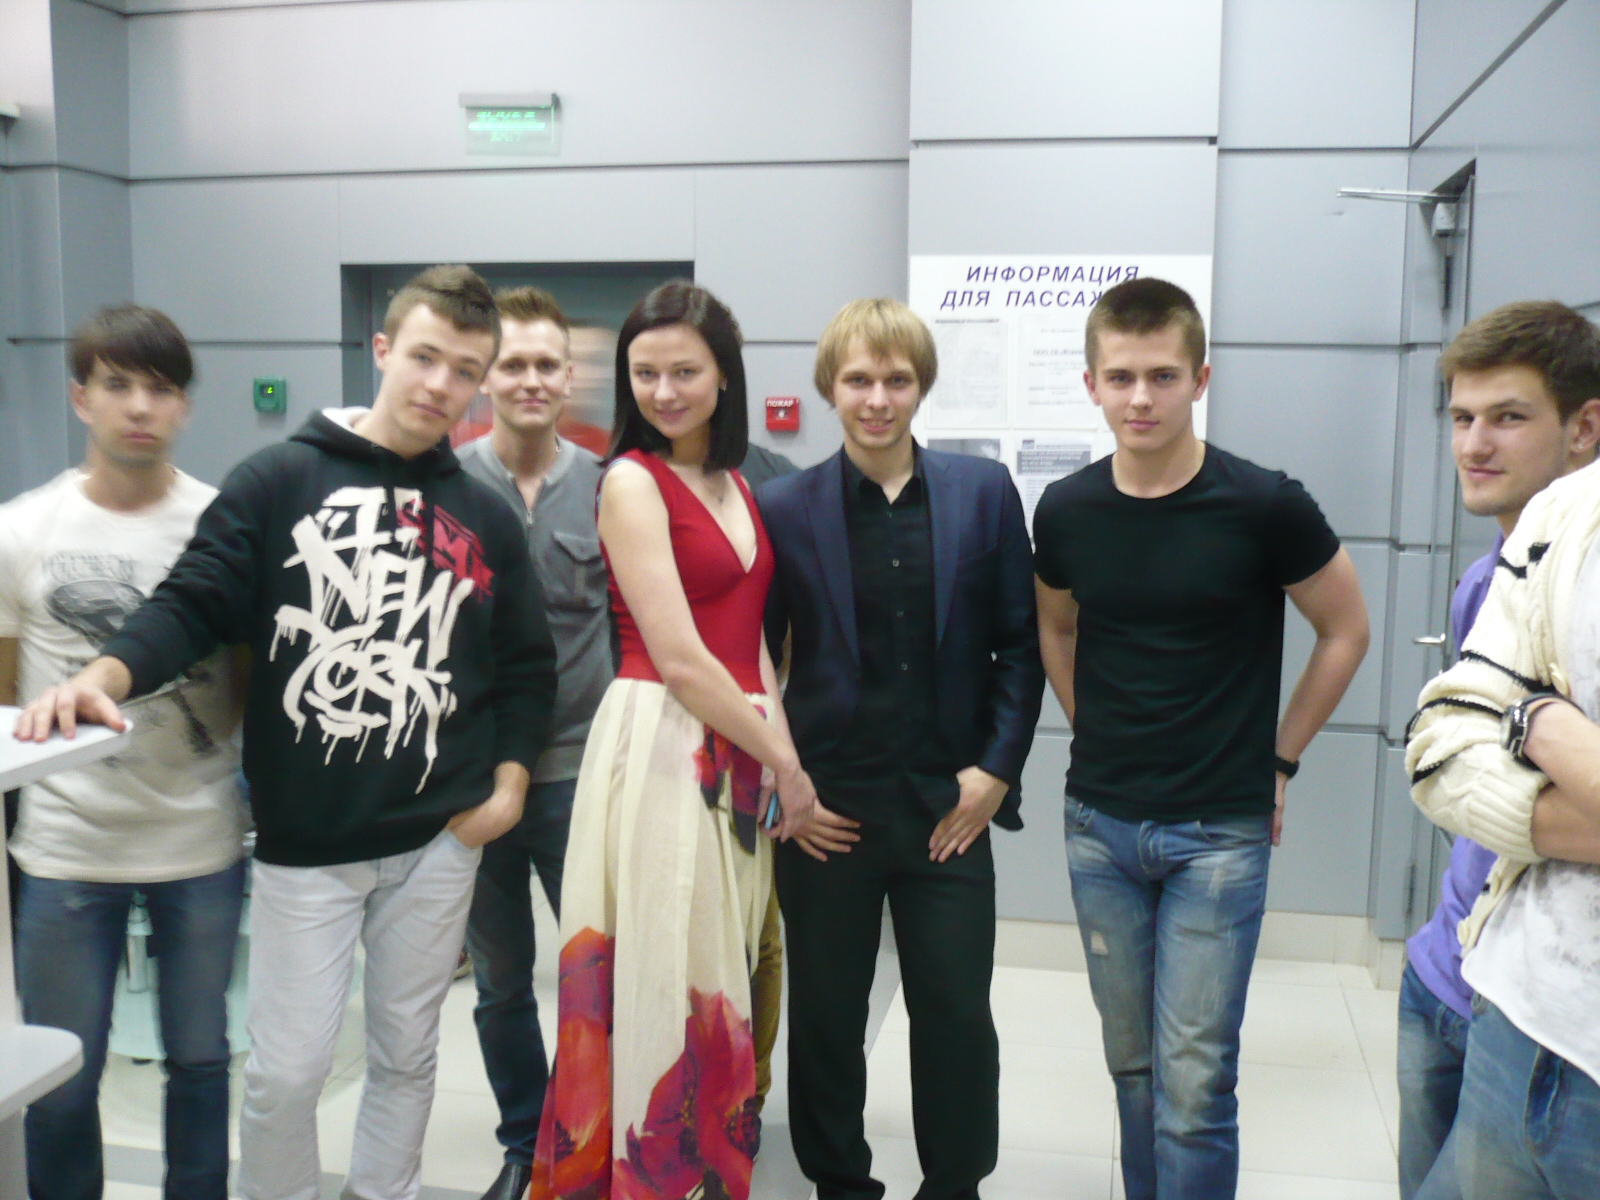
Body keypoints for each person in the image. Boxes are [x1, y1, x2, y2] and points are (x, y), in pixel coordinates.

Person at [14, 265, 558, 1200]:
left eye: (466, 371)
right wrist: (106, 673)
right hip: (308, 847)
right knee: (285, 1074)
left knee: (407, 1056)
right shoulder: (280, 479)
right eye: (425, 357)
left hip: (439, 840)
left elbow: (525, 666)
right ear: (383, 350)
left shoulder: (483, 512)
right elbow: (193, 601)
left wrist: (506, 789)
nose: (441, 385)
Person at [1032, 277, 1369, 1200]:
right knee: (1133, 1070)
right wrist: (1092, 724)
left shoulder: (1264, 504)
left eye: (1163, 376)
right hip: (1097, 830)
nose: (1141, 398)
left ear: (1201, 379)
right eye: (1121, 377)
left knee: (1193, 1084)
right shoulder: (1065, 509)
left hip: (1218, 833)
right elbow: (1056, 626)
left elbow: (1345, 630)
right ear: (1091, 385)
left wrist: (1280, 758)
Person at [527, 281, 817, 1200]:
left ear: (724, 375)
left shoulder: (736, 484)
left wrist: (780, 750)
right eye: (644, 374)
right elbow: (684, 660)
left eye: (683, 371)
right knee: (667, 972)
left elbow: (753, 645)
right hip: (663, 738)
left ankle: (704, 1171)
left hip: (736, 741)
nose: (663, 392)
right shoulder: (629, 481)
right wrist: (785, 763)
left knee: (720, 970)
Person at [757, 298, 1045, 1200]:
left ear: (921, 386)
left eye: (897, 379)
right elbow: (752, 662)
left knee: (955, 1015)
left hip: (946, 811)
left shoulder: (982, 492)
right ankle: (839, 1183)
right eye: (858, 380)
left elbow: (1021, 646)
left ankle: (954, 1184)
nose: (877, 399)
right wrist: (783, 786)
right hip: (827, 813)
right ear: (830, 388)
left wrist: (994, 773)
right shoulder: (783, 506)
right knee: (827, 1019)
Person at [0, 305, 248, 1200]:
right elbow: (5, 696)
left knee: (202, 1064)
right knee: (61, 1079)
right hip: (67, 848)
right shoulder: (22, 530)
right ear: (81, 398)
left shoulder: (223, 525)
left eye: (162, 388)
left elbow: (247, 678)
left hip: (199, 840)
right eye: (118, 385)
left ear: (185, 405)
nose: (140, 406)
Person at [1399, 301, 1600, 1199]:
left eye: (1508, 417)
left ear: (1583, 428)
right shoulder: (1486, 580)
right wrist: (1546, 730)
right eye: (1461, 418)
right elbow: (1443, 756)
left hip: (1537, 1006)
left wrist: (1530, 724)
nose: (1474, 445)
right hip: (1447, 966)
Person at [454, 287, 611, 1200]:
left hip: (578, 775)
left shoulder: (608, 486)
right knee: (501, 981)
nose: (530, 380)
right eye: (512, 363)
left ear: (569, 375)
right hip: (472, 785)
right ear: (485, 375)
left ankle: (586, 1143)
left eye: (547, 364)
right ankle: (525, 1143)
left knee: (595, 977)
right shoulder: (443, 488)